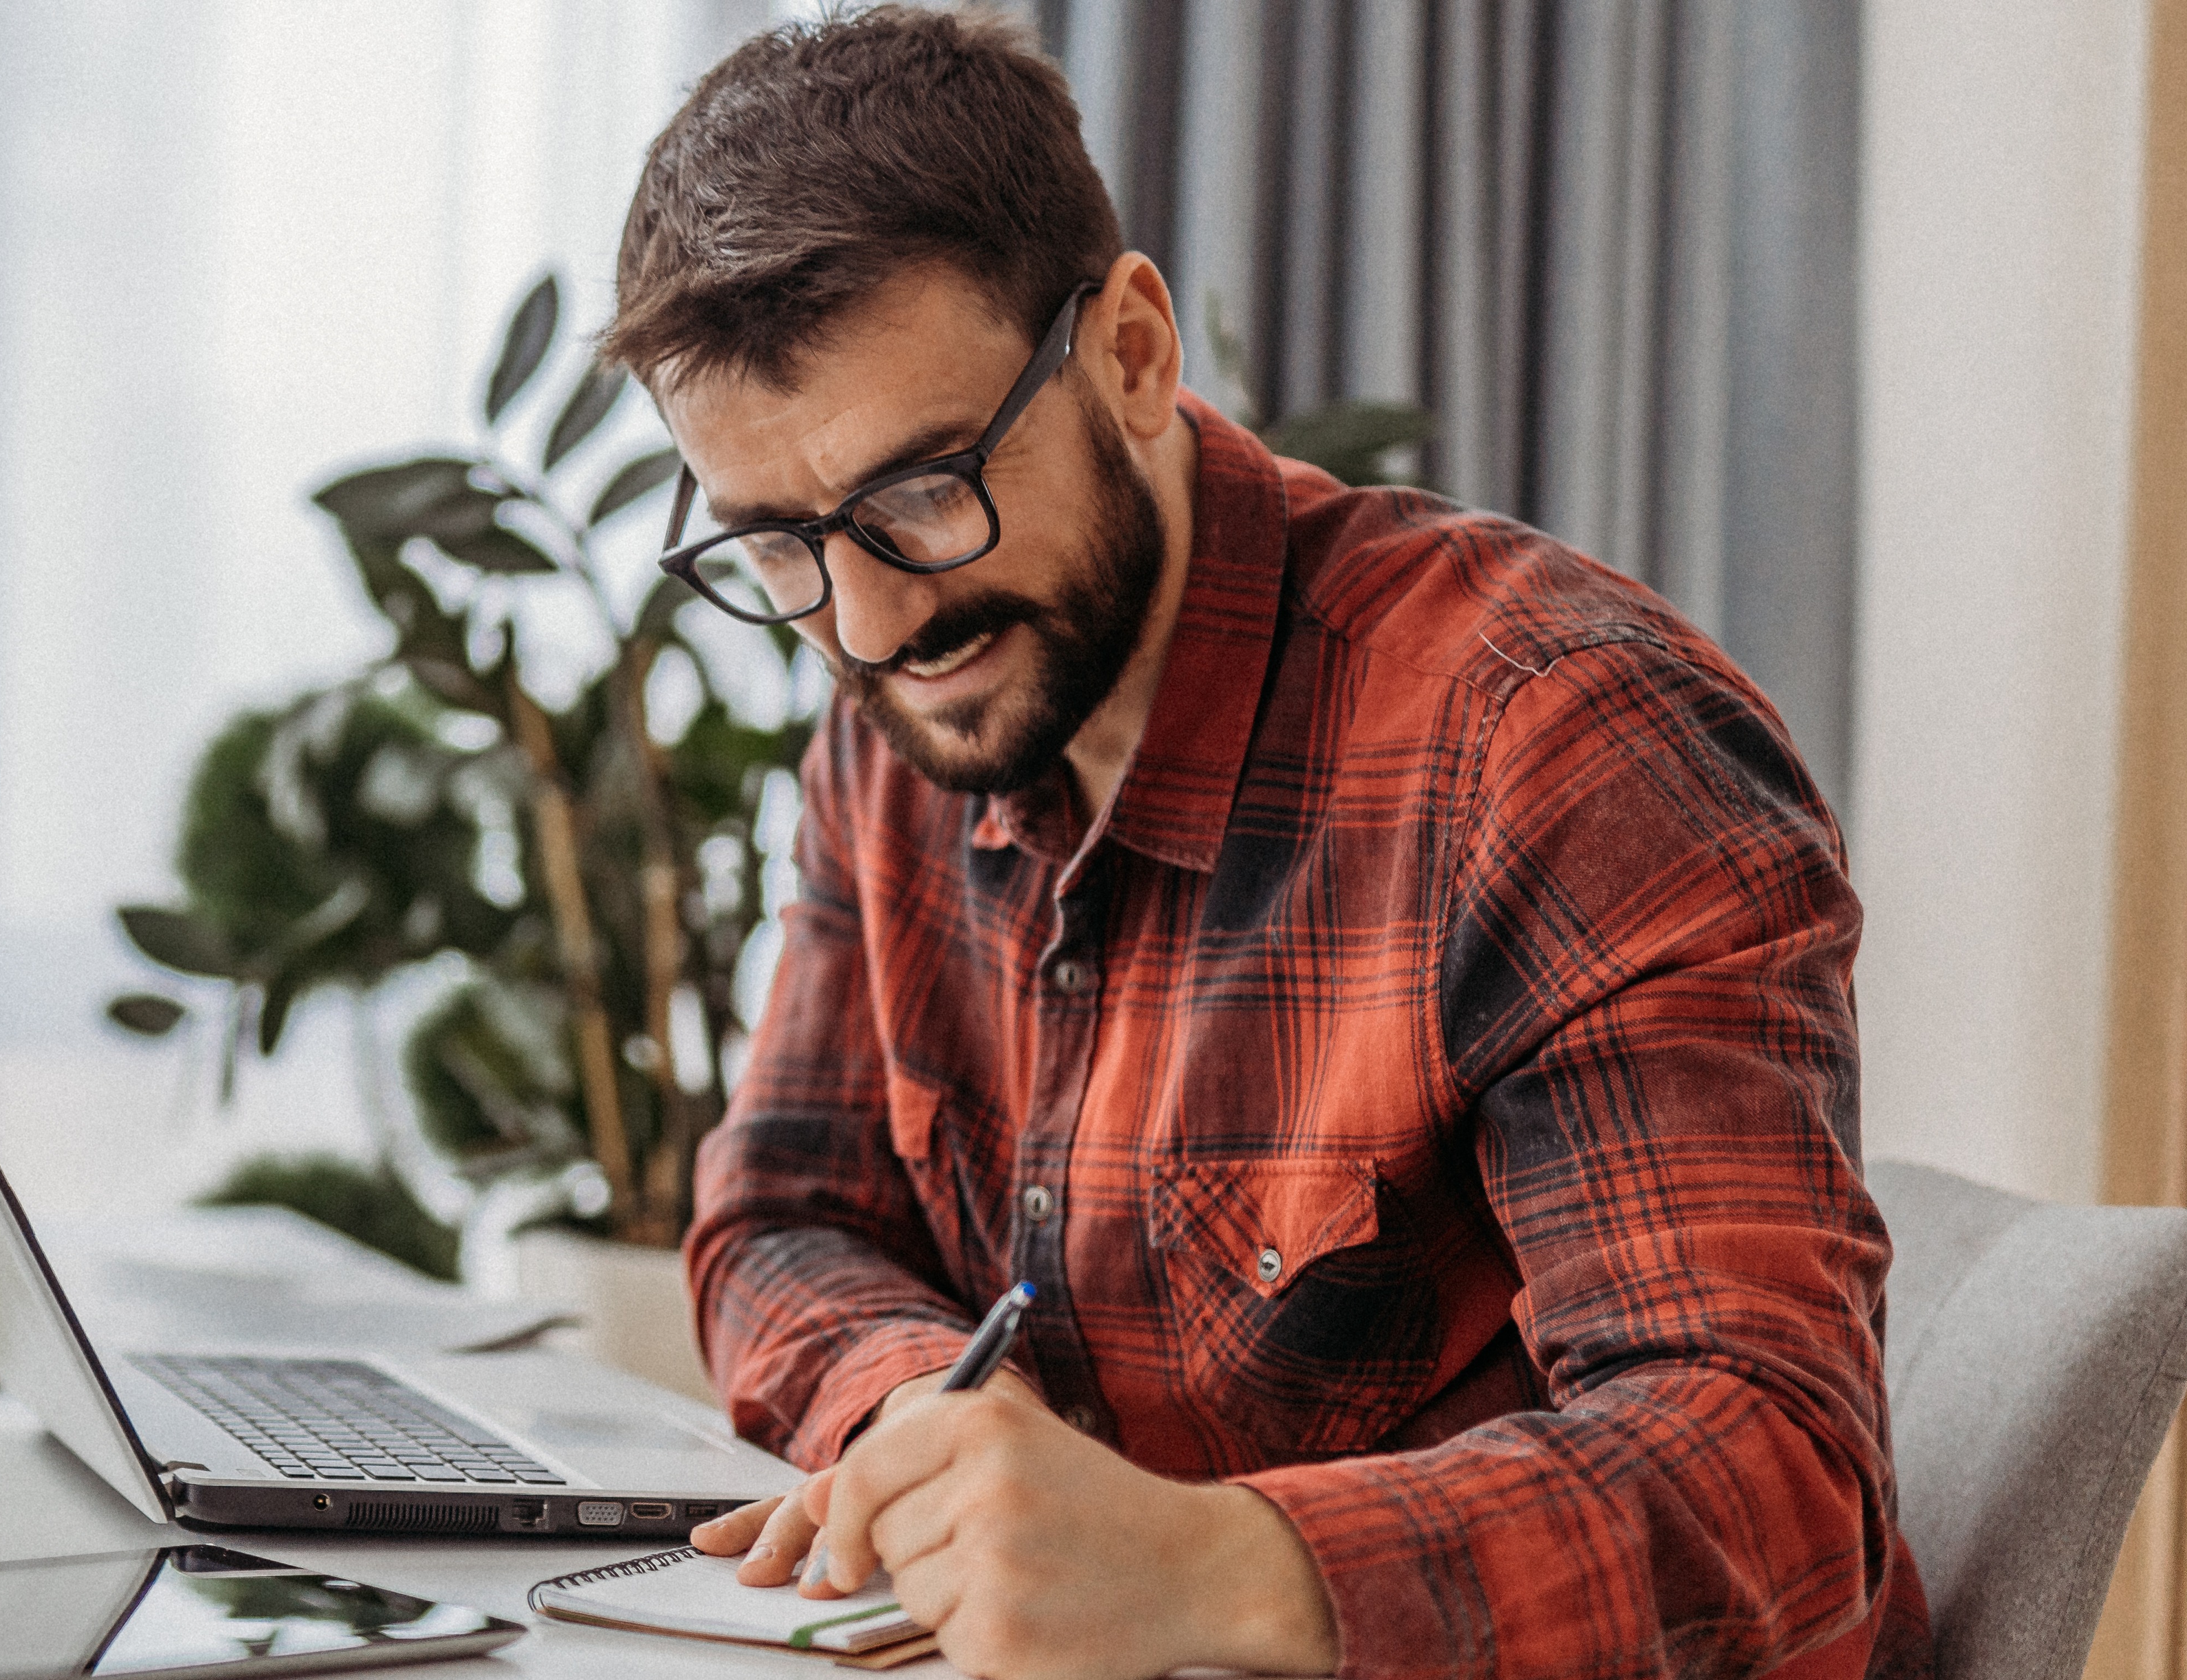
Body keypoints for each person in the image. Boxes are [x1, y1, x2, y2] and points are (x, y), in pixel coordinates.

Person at [613, 11, 1927, 1679]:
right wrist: (933, 1423)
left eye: (928, 490)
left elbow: (1780, 1485)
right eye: (778, 546)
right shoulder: (909, 729)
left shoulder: (1556, 738)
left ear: (1136, 353)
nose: (869, 621)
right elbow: (784, 1215)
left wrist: (1217, 1566)